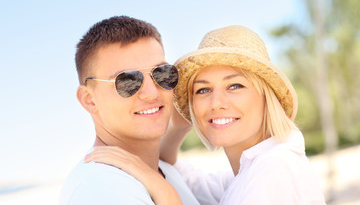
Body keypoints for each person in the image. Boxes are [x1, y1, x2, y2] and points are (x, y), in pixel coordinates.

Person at [86, 25, 326, 204]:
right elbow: (183, 176)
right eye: (203, 90)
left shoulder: (273, 171)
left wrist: (166, 194)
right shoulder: (245, 173)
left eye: (235, 86)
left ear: (266, 95)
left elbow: (175, 184)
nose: (216, 103)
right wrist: (180, 125)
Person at [58, 16, 200, 205]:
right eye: (127, 81)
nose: (151, 93)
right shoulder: (103, 190)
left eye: (162, 73)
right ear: (89, 100)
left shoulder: (163, 172)